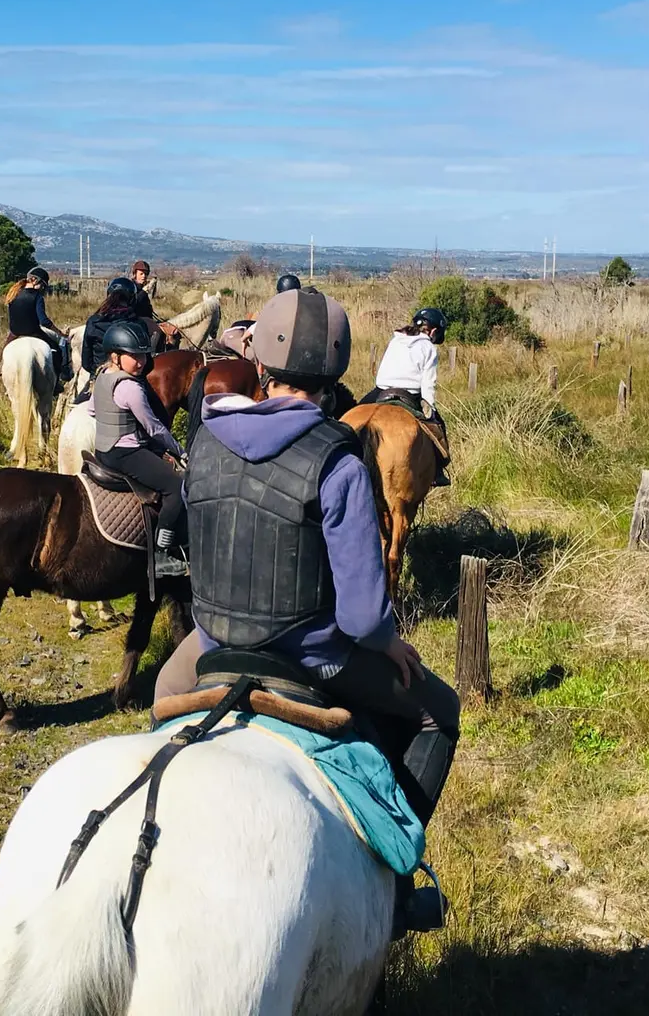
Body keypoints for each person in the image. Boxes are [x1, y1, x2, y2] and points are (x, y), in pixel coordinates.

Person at [155, 287, 459, 934]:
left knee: (161, 695)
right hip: (309, 654)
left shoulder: (205, 441)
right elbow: (363, 619)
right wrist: (390, 643)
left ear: (260, 363)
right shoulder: (337, 462)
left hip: (213, 643)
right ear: (335, 372)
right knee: (439, 711)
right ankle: (396, 877)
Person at [88, 321, 186, 558]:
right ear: (115, 356)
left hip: (103, 450)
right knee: (176, 487)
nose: (141, 362)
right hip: (126, 454)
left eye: (143, 355)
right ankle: (163, 553)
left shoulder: (103, 377)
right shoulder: (131, 387)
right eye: (134, 356)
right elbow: (154, 429)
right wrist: (181, 451)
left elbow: (92, 410)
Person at [361, 307, 451, 486]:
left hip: (381, 390)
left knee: (351, 415)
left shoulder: (396, 340)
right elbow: (428, 384)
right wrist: (430, 408)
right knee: (438, 428)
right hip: (410, 395)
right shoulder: (429, 348)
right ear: (433, 331)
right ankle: (437, 471)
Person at [5, 267, 70, 381]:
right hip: (33, 332)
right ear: (35, 280)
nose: (42, 288)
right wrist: (59, 332)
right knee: (57, 350)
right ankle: (58, 380)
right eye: (42, 285)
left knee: (5, 351)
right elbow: (44, 321)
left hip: (15, 333)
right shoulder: (37, 296)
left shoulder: (13, 293)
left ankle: (1, 370)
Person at [81, 277, 140, 383]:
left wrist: (97, 372)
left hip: (100, 379)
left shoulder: (93, 321)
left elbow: (86, 362)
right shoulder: (137, 323)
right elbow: (146, 361)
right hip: (131, 379)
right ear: (132, 299)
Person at [130, 260, 179, 349]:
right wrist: (144, 291)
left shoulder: (141, 288)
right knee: (157, 331)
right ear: (135, 274)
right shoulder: (131, 287)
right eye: (141, 274)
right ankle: (151, 353)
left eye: (146, 274)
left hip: (146, 319)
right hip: (135, 320)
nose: (144, 276)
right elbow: (133, 302)